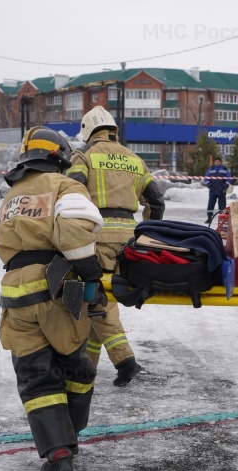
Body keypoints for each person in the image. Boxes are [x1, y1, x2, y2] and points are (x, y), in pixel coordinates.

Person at [0, 126, 105, 471]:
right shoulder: (64, 186)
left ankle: (57, 455)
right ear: (60, 157)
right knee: (76, 365)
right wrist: (91, 276)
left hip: (14, 294)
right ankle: (71, 433)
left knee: (36, 377)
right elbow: (72, 233)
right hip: (57, 289)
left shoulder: (12, 196)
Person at [66, 106, 165, 386]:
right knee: (101, 301)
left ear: (88, 131)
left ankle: (125, 362)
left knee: (96, 301)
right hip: (130, 242)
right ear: (113, 129)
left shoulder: (83, 156)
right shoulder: (135, 160)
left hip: (95, 238)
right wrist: (146, 233)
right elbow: (156, 202)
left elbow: (72, 193)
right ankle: (89, 367)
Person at [204, 156, 232, 222]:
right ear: (214, 162)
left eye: (218, 161)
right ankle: (209, 218)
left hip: (221, 190)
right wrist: (209, 185)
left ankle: (222, 218)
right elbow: (206, 178)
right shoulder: (211, 169)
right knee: (210, 205)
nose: (217, 162)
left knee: (222, 205)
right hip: (213, 190)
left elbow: (229, 178)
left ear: (220, 162)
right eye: (216, 161)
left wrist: (225, 185)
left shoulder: (224, 169)